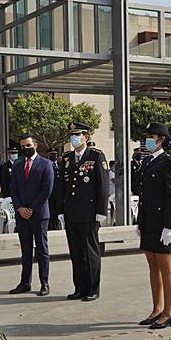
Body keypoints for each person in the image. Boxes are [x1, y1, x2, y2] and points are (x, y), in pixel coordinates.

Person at [135, 122, 171, 330]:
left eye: (151, 136)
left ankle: (169, 313)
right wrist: (140, 221)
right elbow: (143, 196)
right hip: (148, 223)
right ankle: (156, 309)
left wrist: (169, 226)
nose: (147, 140)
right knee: (152, 266)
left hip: (163, 224)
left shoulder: (169, 163)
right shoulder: (147, 162)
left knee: (166, 268)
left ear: (161, 139)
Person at [59, 122, 109, 302]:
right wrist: (61, 210)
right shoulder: (66, 158)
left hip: (89, 213)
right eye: (72, 135)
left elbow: (102, 185)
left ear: (86, 137)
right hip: (72, 212)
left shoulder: (96, 156)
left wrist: (101, 210)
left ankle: (93, 289)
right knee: (76, 252)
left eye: (77, 135)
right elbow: (62, 186)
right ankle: (79, 287)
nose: (74, 138)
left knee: (90, 252)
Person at [9, 134, 55, 296]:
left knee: (42, 250)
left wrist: (32, 209)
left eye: (28, 145)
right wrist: (20, 208)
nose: (25, 148)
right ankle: (25, 282)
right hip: (22, 214)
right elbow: (13, 188)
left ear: (35, 145)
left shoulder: (45, 164)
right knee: (25, 249)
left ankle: (44, 283)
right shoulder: (17, 164)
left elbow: (47, 189)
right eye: (23, 146)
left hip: (39, 214)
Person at [48, 150, 62, 230]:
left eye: (55, 155)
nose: (54, 156)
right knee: (50, 209)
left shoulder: (60, 165)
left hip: (58, 192)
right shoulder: (47, 165)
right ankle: (50, 225)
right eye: (52, 155)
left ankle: (56, 224)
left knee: (57, 210)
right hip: (50, 193)